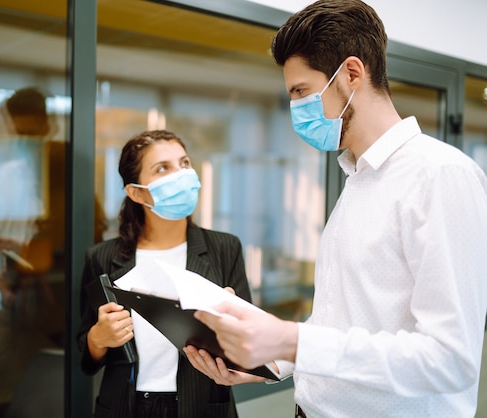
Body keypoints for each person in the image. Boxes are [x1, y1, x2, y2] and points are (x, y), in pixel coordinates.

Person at [184, 1, 487, 417]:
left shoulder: (440, 176)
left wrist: (291, 340)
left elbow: (450, 359)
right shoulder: (358, 180)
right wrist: (268, 359)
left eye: (301, 92)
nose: (295, 111)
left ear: (351, 74)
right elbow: (344, 325)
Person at [77, 130, 254, 418]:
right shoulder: (102, 258)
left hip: (203, 407)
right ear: (135, 192)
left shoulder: (225, 248)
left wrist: (228, 320)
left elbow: (248, 349)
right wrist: (99, 337)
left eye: (184, 163)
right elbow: (86, 359)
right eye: (163, 168)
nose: (181, 175)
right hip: (126, 407)